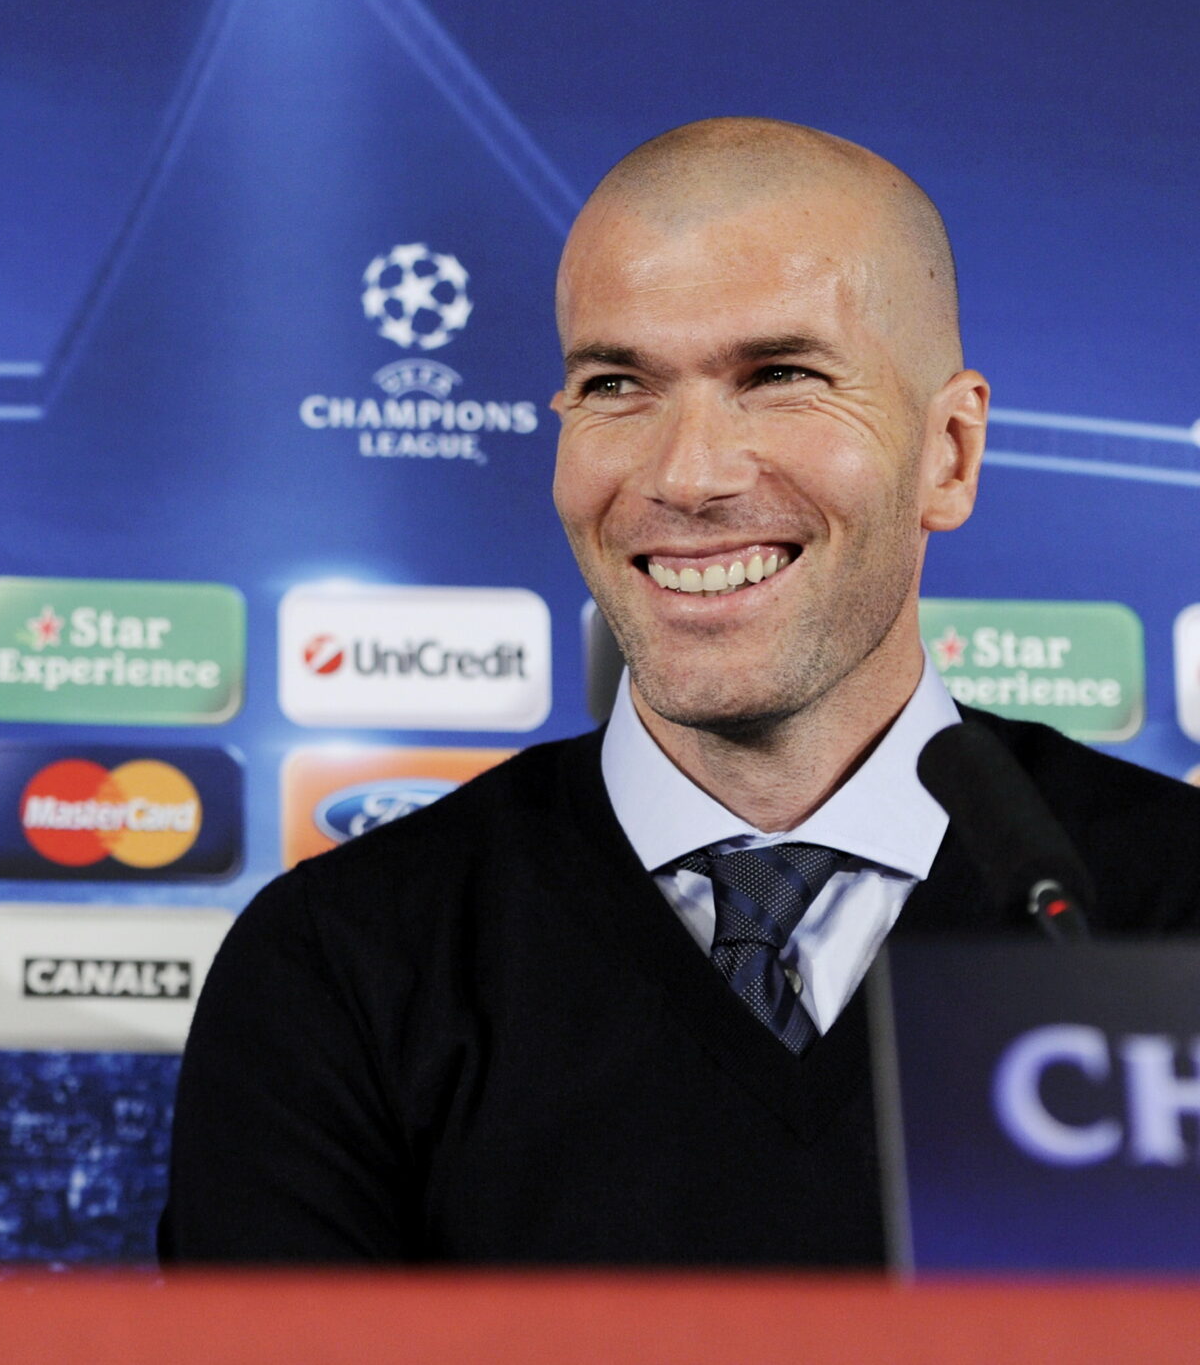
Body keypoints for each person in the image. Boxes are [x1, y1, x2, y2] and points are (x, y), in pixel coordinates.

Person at [162, 118, 1200, 1266]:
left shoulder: (1157, 914)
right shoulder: (342, 965)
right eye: (616, 383)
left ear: (947, 453)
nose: (687, 474)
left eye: (781, 376)